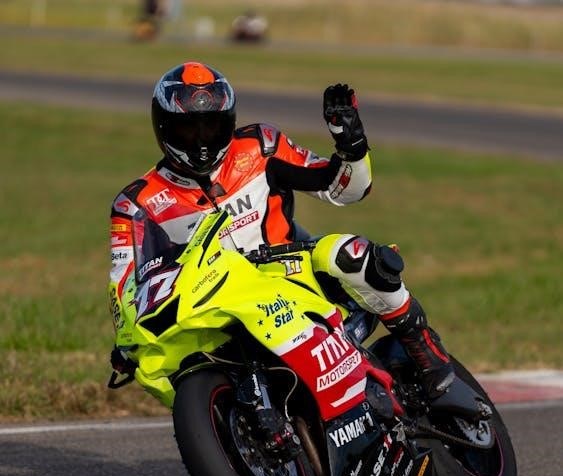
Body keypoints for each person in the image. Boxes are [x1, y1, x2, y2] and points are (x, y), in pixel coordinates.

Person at [108, 61, 454, 399]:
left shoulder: (261, 147)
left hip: (290, 274)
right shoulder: (136, 204)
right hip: (216, 307)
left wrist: (352, 148)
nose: (201, 141)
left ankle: (423, 348)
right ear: (163, 128)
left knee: (351, 255)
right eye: (188, 130)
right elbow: (124, 287)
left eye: (211, 127)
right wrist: (126, 344)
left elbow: (345, 190)